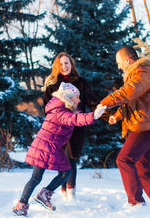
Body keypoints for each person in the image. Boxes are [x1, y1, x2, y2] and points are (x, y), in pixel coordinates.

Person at [12, 82, 106, 216]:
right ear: (68, 97)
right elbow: (75, 119)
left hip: (48, 146)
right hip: (46, 146)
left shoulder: (61, 108)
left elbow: (75, 116)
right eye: (77, 97)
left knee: (59, 173)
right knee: (42, 176)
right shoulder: (61, 111)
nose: (79, 100)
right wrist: (94, 116)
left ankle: (36, 198)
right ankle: (24, 203)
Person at [99, 46, 150, 212]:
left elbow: (129, 93)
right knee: (142, 168)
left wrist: (105, 102)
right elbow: (132, 100)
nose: (118, 67)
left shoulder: (144, 73)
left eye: (119, 63)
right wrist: (116, 115)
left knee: (123, 160)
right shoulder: (136, 75)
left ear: (128, 60)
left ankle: (136, 202)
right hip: (146, 127)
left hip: (144, 127)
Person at [43, 52, 101, 200]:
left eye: (67, 63)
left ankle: (71, 195)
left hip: (77, 127)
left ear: (71, 64)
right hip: (58, 129)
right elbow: (47, 109)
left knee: (71, 159)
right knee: (61, 160)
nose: (64, 66)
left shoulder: (81, 82)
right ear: (57, 66)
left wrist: (106, 114)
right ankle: (64, 193)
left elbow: (92, 102)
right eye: (61, 64)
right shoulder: (52, 86)